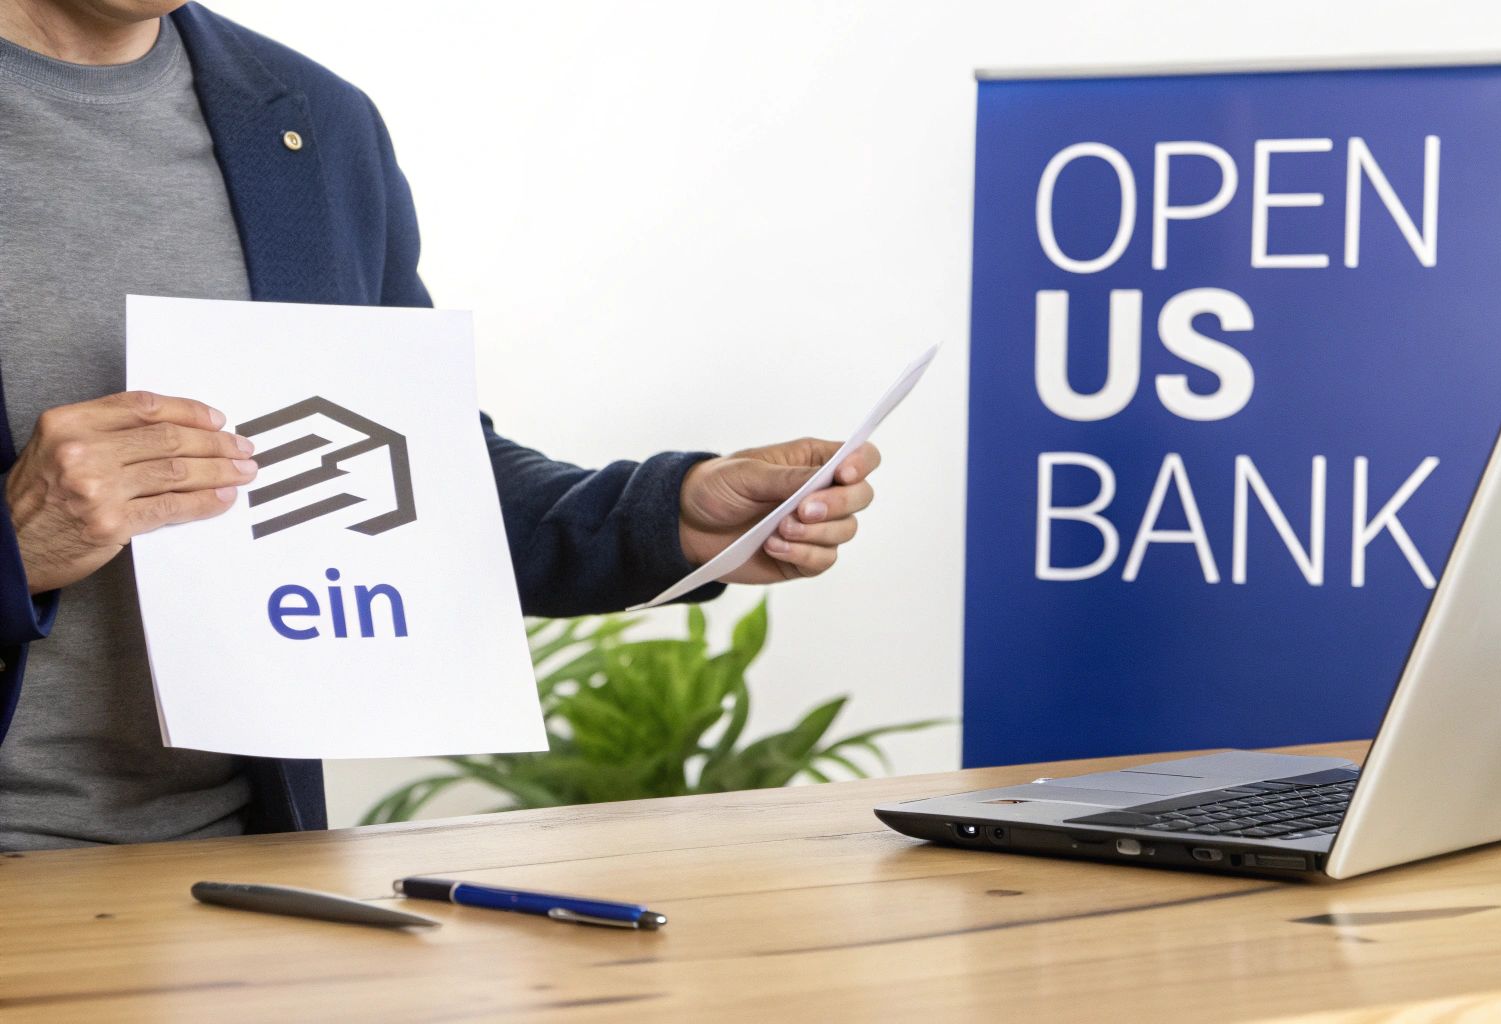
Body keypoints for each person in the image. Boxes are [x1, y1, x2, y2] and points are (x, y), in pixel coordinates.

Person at [0, 0, 881, 849]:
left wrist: (668, 516)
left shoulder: (311, 124)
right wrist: (17, 547)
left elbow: (404, 475)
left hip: (225, 866)